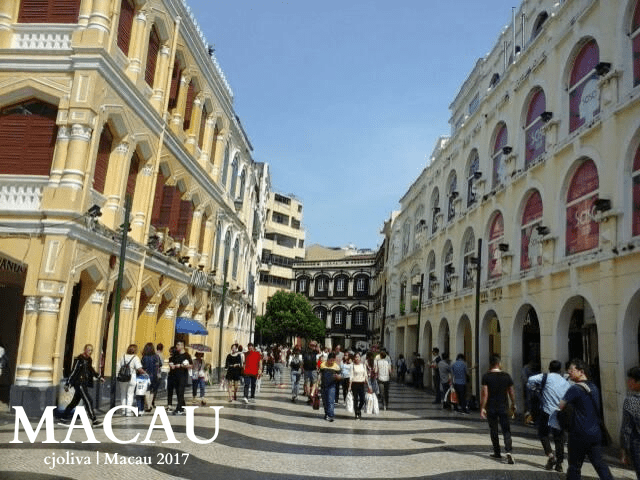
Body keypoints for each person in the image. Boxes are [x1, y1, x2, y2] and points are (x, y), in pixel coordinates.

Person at [559, 358, 613, 480]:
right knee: (600, 465)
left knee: (574, 467)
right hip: (595, 433)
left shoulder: (575, 389)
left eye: (572, 369)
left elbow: (561, 405)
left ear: (581, 371)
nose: (569, 372)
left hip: (579, 433)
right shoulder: (594, 387)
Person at [527, 360, 570, 472]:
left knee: (543, 434)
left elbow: (530, 380)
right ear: (560, 369)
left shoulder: (545, 377)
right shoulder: (565, 380)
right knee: (559, 438)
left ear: (549, 368)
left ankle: (551, 456)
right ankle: (559, 464)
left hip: (546, 411)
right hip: (560, 412)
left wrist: (535, 388)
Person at [481, 354, 516, 465]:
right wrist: (513, 403)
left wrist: (482, 407)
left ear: (491, 364)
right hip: (503, 407)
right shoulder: (506, 376)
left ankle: (497, 452)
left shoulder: (486, 376)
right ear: (498, 363)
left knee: (494, 430)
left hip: (491, 407)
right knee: (506, 430)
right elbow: (511, 392)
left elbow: (485, 394)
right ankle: (509, 451)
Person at [59, 344, 104, 426]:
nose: (89, 351)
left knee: (74, 402)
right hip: (79, 383)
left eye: (91, 350)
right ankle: (94, 419)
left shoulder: (89, 359)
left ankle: (63, 418)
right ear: (85, 349)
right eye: (88, 349)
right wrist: (68, 383)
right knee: (88, 400)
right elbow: (74, 371)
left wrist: (99, 377)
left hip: (84, 383)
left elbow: (91, 370)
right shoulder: (79, 359)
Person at [621, 366, 640, 479]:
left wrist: (624, 450)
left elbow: (626, 428)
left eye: (630, 379)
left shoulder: (631, 401)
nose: (628, 382)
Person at [118, 344, 145, 415]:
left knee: (123, 394)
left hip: (122, 377)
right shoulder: (135, 358)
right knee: (130, 394)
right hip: (132, 377)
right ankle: (128, 412)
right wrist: (145, 373)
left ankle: (123, 411)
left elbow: (118, 366)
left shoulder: (123, 356)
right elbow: (139, 368)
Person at [169, 341, 192, 415]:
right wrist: (171, 364)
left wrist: (182, 365)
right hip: (175, 375)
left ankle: (179, 409)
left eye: (178, 345)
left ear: (182, 346)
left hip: (182, 376)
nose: (177, 346)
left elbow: (191, 365)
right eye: (176, 345)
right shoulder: (175, 354)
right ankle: (183, 405)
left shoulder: (187, 355)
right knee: (178, 392)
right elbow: (171, 361)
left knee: (180, 391)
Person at [318, 352, 341, 422]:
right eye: (330, 360)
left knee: (330, 401)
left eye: (333, 360)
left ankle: (331, 415)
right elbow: (320, 375)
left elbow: (340, 376)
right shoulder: (322, 365)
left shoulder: (336, 366)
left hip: (332, 386)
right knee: (325, 401)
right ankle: (327, 414)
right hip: (323, 385)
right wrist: (317, 384)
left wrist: (338, 377)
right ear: (328, 359)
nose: (331, 362)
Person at [349, 352, 370, 420]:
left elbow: (366, 375)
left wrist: (368, 385)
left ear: (360, 358)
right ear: (354, 358)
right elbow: (351, 376)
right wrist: (349, 386)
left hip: (361, 383)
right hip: (354, 383)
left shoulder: (363, 365)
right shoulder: (352, 365)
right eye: (355, 357)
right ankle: (356, 414)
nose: (357, 358)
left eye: (358, 357)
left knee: (362, 399)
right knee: (355, 399)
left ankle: (358, 409)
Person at [141, 342, 161, 411]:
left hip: (146, 375)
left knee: (146, 390)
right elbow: (160, 365)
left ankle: (148, 406)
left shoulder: (144, 357)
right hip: (154, 375)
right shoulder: (156, 356)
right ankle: (150, 404)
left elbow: (142, 366)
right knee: (152, 390)